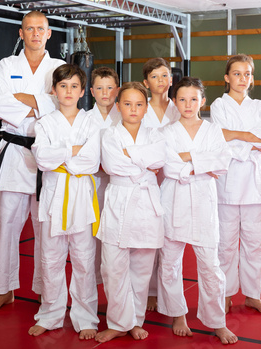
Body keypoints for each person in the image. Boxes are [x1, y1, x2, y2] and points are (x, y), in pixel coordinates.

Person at [0, 11, 65, 313]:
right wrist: (43, 103)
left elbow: (64, 103)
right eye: (29, 29)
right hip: (15, 153)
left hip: (48, 155)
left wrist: (27, 100)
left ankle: (46, 289)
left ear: (49, 33)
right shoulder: (6, 66)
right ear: (21, 33)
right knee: (6, 225)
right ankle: (3, 290)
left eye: (40, 29)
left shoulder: (60, 67)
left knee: (46, 229)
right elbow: (1, 106)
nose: (35, 33)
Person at [157, 77, 238, 344]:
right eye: (182, 99)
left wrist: (188, 159)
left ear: (203, 101)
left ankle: (216, 321)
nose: (188, 104)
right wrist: (202, 163)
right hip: (173, 200)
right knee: (170, 263)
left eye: (194, 99)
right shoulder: (166, 132)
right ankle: (177, 313)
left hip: (204, 202)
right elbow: (168, 167)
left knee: (211, 266)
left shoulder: (213, 130)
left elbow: (222, 160)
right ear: (174, 101)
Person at [29, 64, 100, 339]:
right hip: (53, 197)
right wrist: (73, 151)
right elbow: (42, 159)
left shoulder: (92, 122)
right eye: (62, 86)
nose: (68, 91)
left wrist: (60, 156)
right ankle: (50, 314)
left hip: (81, 197)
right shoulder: (44, 123)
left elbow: (91, 161)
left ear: (83, 92)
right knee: (50, 259)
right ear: (53, 90)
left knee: (84, 261)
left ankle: (86, 317)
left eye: (74, 86)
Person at [95, 82, 166, 343]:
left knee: (142, 269)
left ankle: (135, 321)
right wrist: (143, 163)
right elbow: (113, 164)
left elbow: (160, 159)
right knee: (112, 268)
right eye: (127, 104)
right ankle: (117, 322)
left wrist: (131, 156)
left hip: (147, 205)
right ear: (117, 106)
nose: (133, 109)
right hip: (119, 200)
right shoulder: (110, 135)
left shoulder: (156, 134)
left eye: (139, 104)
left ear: (146, 107)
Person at [210, 54, 261, 316]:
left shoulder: (260, 106)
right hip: (227, 182)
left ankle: (252, 295)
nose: (242, 79)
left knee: (254, 242)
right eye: (237, 73)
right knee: (225, 243)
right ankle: (225, 294)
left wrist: (239, 138)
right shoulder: (218, 105)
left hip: (255, 184)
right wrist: (250, 139)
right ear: (227, 78)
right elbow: (220, 138)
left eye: (247, 73)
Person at [141, 57, 181, 311]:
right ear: (146, 82)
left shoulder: (180, 107)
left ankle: (164, 293)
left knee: (168, 239)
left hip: (173, 180)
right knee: (146, 239)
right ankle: (146, 291)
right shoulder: (137, 106)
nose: (161, 81)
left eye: (165, 75)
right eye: (155, 76)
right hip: (143, 180)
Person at [88, 66, 121, 285]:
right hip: (92, 183)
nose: (105, 93)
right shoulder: (85, 119)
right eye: (100, 88)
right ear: (91, 91)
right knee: (92, 237)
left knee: (117, 235)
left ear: (117, 90)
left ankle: (118, 284)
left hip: (119, 182)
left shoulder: (125, 115)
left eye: (109, 88)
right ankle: (92, 283)